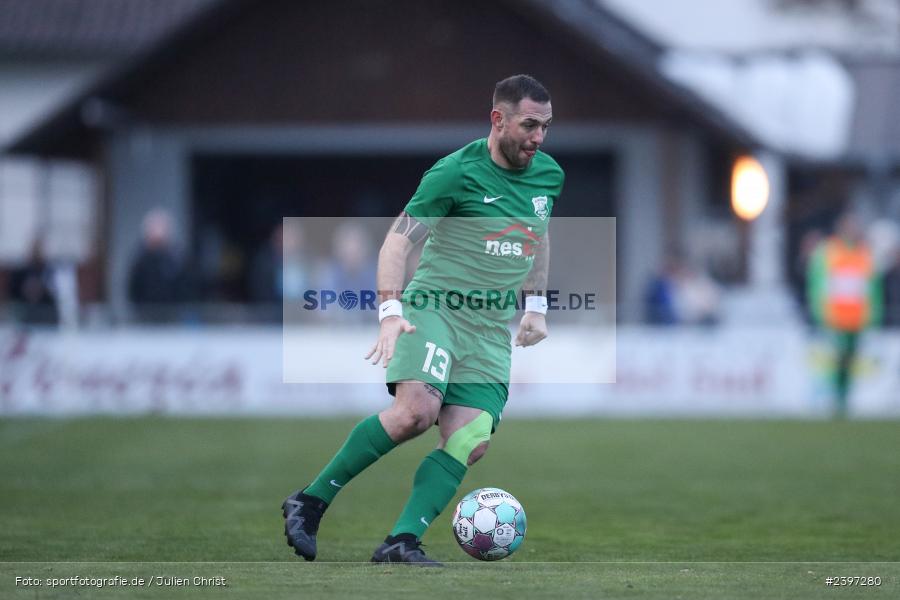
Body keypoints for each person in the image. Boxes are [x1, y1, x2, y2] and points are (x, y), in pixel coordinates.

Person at [282, 75, 564, 565]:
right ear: (498, 119)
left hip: (489, 328)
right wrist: (390, 313)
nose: (539, 137)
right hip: (435, 309)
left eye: (546, 126)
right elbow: (397, 241)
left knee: (471, 439)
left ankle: (401, 542)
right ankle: (309, 500)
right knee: (416, 412)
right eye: (530, 125)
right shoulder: (454, 172)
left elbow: (537, 237)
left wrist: (535, 307)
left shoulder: (548, 176)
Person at [806, 212, 882, 417]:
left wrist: (874, 314)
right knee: (837, 361)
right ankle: (836, 401)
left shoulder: (864, 254)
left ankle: (844, 401)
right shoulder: (829, 252)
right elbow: (817, 283)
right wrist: (820, 311)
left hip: (857, 319)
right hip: (835, 318)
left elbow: (873, 288)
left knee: (849, 361)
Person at [127, 208, 187, 322]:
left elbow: (183, 288)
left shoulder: (175, 260)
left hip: (171, 318)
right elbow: (133, 290)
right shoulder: (140, 262)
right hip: (145, 318)